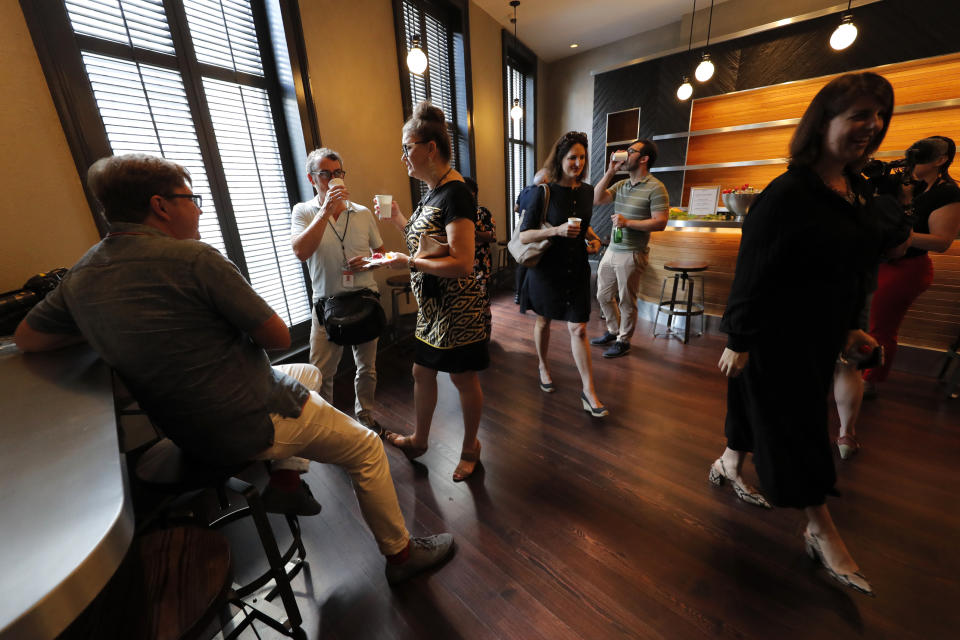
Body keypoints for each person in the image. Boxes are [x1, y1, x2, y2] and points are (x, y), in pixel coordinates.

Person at [14, 153, 454, 585]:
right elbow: (277, 337)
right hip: (243, 415)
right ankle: (401, 555)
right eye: (192, 198)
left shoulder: (82, 274)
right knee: (367, 449)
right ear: (160, 206)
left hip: (181, 426)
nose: (198, 208)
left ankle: (285, 479)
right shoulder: (195, 260)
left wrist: (110, 322)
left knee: (309, 374)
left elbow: (29, 337)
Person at [713, 72, 896, 596]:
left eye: (879, 115)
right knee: (797, 427)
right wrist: (739, 340)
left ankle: (729, 460)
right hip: (776, 333)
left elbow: (845, 269)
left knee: (769, 409)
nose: (873, 125)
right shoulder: (789, 192)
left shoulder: (852, 190)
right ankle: (820, 528)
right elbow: (753, 270)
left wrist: (849, 327)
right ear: (824, 123)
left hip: (820, 334)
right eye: (859, 114)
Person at [354, 101, 487, 483]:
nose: (403, 156)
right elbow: (425, 247)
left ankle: (470, 447)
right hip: (433, 308)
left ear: (430, 148)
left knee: (462, 378)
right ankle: (420, 439)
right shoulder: (432, 192)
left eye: (407, 146)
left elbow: (462, 263)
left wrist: (407, 262)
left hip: (456, 306)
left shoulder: (456, 193)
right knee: (421, 372)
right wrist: (400, 220)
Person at [291, 148, 385, 434]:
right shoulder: (303, 211)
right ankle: (328, 427)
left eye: (338, 173)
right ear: (312, 178)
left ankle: (365, 415)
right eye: (326, 174)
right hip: (325, 305)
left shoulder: (363, 212)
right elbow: (301, 251)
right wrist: (325, 211)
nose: (333, 179)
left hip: (364, 300)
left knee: (366, 367)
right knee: (320, 374)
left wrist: (369, 261)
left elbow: (381, 254)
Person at [517, 131, 607, 417]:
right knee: (543, 320)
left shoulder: (586, 192)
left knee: (578, 327)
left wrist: (593, 238)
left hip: (576, 266)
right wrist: (556, 230)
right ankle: (543, 366)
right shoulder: (544, 191)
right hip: (547, 268)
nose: (578, 163)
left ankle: (588, 391)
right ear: (560, 158)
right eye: (572, 157)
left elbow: (585, 226)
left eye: (582, 157)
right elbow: (526, 234)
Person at [863, 136, 960, 396]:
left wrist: (898, 234)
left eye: (923, 154)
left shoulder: (946, 192)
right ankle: (853, 372)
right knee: (862, 322)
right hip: (879, 262)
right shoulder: (900, 180)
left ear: (941, 160)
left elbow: (942, 242)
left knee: (881, 326)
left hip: (908, 268)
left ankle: (869, 380)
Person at [591, 139, 669, 358]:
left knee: (626, 300)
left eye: (631, 151)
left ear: (644, 159)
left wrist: (628, 223)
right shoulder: (623, 184)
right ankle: (613, 331)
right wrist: (610, 172)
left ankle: (623, 341)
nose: (625, 154)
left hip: (633, 252)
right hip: (613, 250)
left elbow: (660, 222)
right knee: (603, 295)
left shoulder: (656, 187)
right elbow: (597, 198)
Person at [463, 176, 496, 338]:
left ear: (473, 193)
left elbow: (491, 235)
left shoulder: (482, 212)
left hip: (481, 263)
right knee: (466, 302)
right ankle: (471, 335)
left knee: (482, 299)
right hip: (461, 264)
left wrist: (473, 233)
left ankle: (485, 334)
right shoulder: (456, 214)